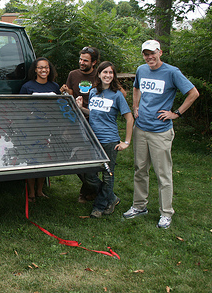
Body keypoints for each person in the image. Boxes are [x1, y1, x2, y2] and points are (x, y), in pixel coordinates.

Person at [123, 40, 199, 229]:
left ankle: (166, 213)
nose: (149, 57)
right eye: (146, 54)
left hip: (160, 132)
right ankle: (139, 206)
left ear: (160, 52)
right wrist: (135, 105)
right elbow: (136, 87)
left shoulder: (172, 72)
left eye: (152, 53)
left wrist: (176, 113)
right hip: (141, 128)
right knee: (140, 169)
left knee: (163, 174)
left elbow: (193, 93)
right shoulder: (141, 69)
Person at [76, 61, 134, 218]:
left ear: (113, 76)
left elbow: (129, 118)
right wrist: (81, 108)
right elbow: (94, 113)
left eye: (111, 73)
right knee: (88, 174)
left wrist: (126, 142)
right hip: (93, 140)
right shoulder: (94, 92)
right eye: (105, 72)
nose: (108, 75)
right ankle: (112, 198)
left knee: (108, 176)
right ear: (99, 74)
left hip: (109, 141)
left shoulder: (117, 95)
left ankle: (100, 207)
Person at [60, 47, 102, 203]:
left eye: (85, 60)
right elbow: (71, 93)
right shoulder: (73, 74)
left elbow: (117, 92)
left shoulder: (100, 75)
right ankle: (94, 188)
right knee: (74, 156)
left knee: (90, 156)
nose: (81, 62)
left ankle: (88, 192)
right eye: (80, 59)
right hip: (75, 119)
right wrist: (66, 90)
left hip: (94, 120)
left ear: (94, 62)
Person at [20, 57, 61, 201]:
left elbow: (59, 107)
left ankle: (40, 191)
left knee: (45, 160)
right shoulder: (27, 87)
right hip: (32, 130)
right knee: (32, 160)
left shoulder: (55, 87)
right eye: (41, 67)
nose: (44, 70)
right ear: (35, 70)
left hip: (48, 129)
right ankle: (30, 193)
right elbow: (20, 108)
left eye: (47, 67)